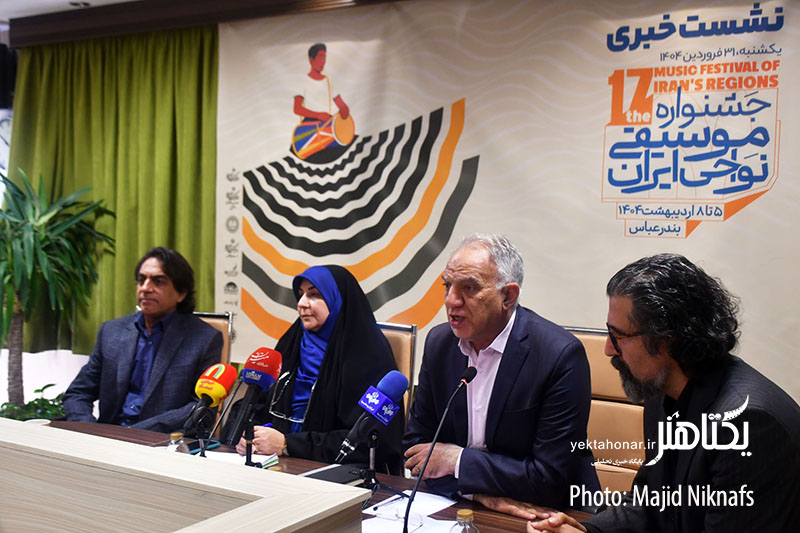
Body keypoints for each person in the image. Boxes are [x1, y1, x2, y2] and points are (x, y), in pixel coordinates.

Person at [527, 253, 800, 532]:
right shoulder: (662, 394)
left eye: (618, 336)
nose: (608, 349)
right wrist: (587, 530)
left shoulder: (748, 424)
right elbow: (652, 503)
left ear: (668, 338)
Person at [402, 234, 599, 508]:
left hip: (549, 514)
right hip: (461, 504)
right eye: (448, 286)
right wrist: (479, 495)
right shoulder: (439, 344)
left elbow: (550, 477)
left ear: (508, 296)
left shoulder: (559, 355)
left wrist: (457, 461)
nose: (451, 300)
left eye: (468, 288)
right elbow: (416, 452)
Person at [235, 265, 404, 474]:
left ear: (337, 300)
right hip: (274, 466)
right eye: (300, 295)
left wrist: (288, 444)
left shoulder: (369, 355)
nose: (302, 303)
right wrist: (248, 434)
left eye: (314, 295)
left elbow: (372, 439)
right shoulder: (291, 343)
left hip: (340, 474)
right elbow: (258, 404)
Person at [62, 247, 223, 433]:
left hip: (159, 441)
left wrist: (133, 432)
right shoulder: (112, 331)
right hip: (105, 438)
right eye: (141, 280)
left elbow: (202, 409)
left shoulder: (204, 339)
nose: (146, 288)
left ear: (181, 293)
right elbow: (78, 393)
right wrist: (88, 429)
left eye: (158, 281)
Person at [293, 43, 349, 123]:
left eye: (324, 57)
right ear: (311, 60)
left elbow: (342, 105)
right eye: (320, 57)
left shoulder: (329, 81)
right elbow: (297, 109)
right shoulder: (303, 81)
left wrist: (344, 110)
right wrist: (318, 115)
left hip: (326, 124)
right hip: (309, 125)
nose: (323, 61)